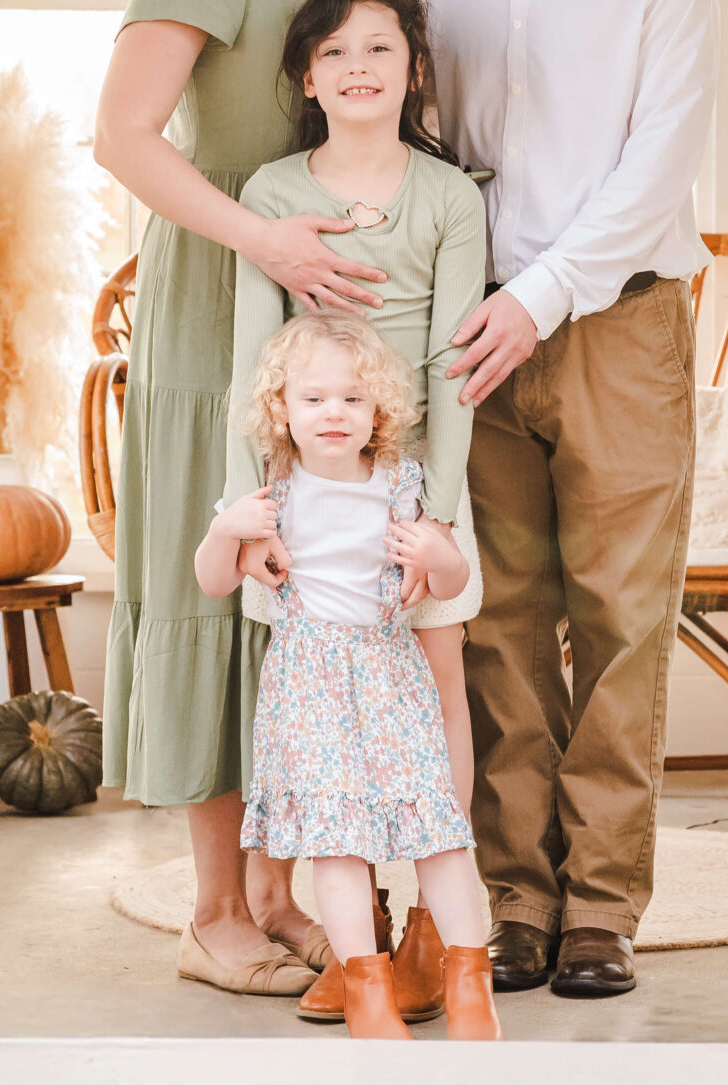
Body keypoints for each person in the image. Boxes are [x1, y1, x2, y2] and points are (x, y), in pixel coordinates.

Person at [94, 0, 415, 998]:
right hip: (212, 313)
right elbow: (124, 136)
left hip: (328, 328)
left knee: (305, 602)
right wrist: (265, 242)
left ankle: (281, 894)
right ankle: (212, 903)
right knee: (221, 577)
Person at [412, 0, 717, 999]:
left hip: (615, 322)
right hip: (473, 329)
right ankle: (515, 900)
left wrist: (542, 295)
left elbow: (660, 163)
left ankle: (601, 906)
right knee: (499, 625)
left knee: (623, 622)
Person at [224, 0, 488, 1018]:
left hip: (412, 486)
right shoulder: (271, 190)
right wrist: (251, 511)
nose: (358, 68)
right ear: (305, 75)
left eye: (378, 48)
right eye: (333, 52)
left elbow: (455, 363)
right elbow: (254, 352)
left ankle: (434, 924)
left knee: (432, 693)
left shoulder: (447, 196)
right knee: (317, 715)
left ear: (412, 68)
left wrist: (438, 520)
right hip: (303, 493)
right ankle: (357, 935)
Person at [199, 309, 498, 1042]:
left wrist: (436, 553)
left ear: (378, 413)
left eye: (353, 399)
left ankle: (469, 985)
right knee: (336, 842)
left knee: (440, 832)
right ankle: (368, 990)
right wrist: (223, 530)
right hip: (309, 686)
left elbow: (452, 580)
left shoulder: (400, 484)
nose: (334, 412)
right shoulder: (272, 496)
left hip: (392, 679)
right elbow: (213, 581)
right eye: (314, 398)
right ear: (282, 410)